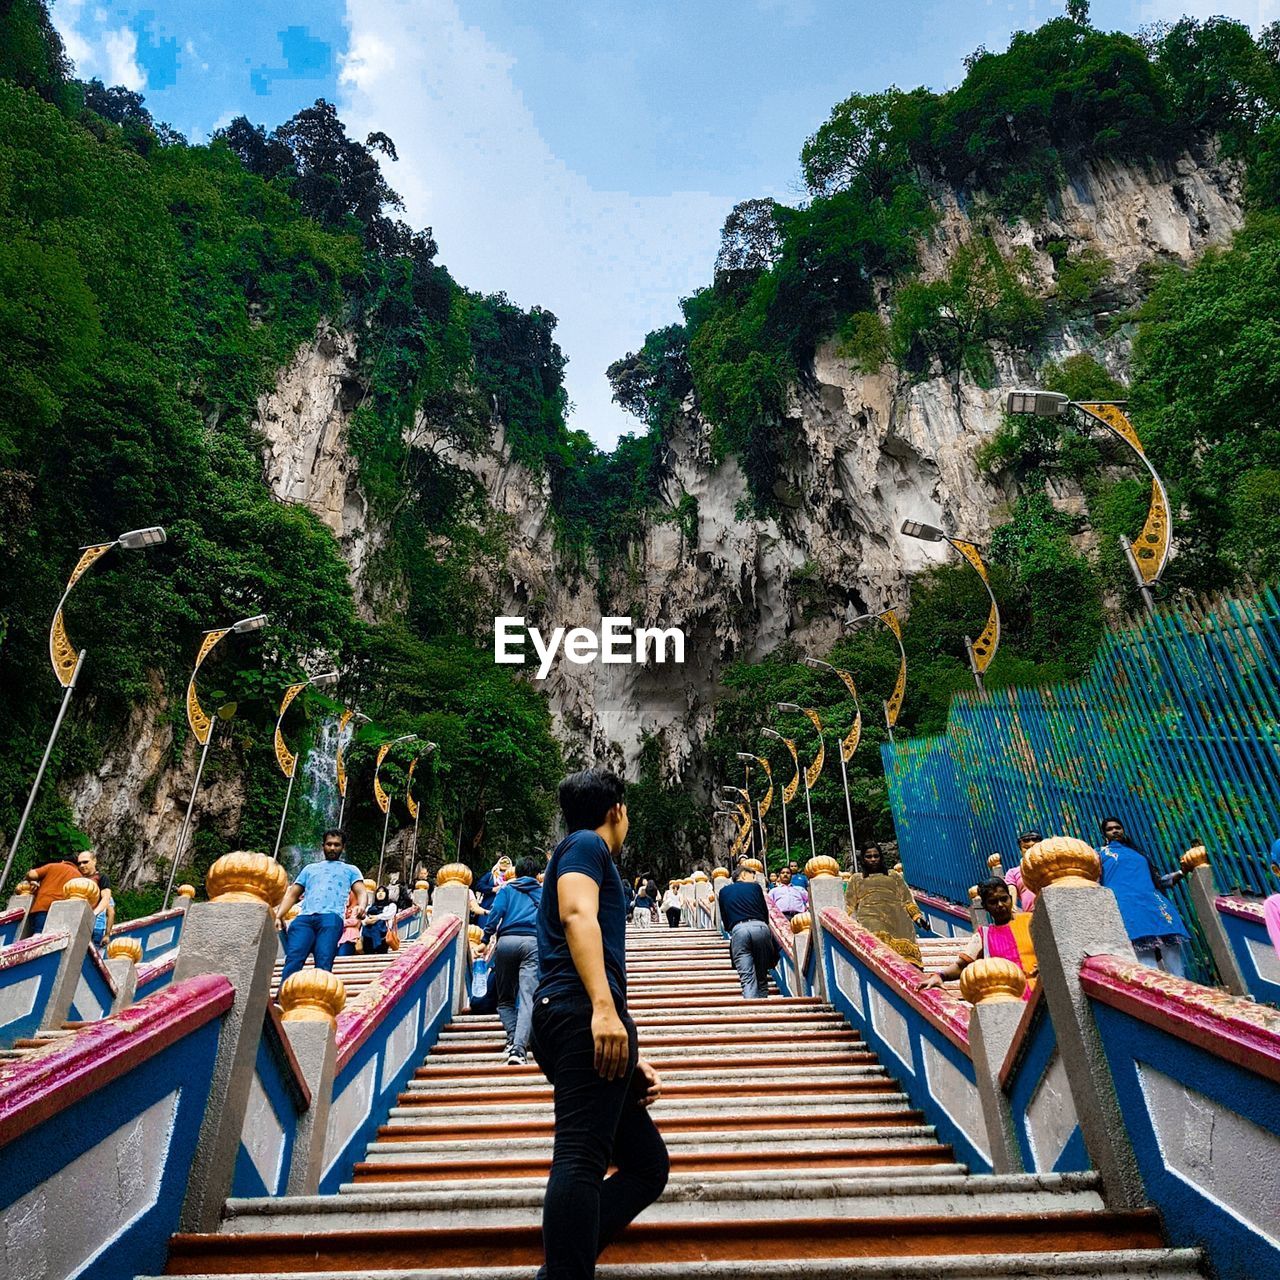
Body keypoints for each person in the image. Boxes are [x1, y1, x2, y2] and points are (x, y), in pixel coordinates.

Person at [531, 768, 668, 1280]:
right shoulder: (587, 845)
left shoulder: (577, 848)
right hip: (579, 1009)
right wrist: (604, 1011)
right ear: (617, 810)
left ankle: (567, 1261)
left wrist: (631, 1056)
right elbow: (576, 915)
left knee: (647, 1165)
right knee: (581, 1156)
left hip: (573, 1012)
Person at [1098, 817, 1190, 977]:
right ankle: (1155, 996)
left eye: (1118, 827)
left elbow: (1158, 880)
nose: (1115, 831)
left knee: (1172, 952)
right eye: (1110, 829)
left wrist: (1181, 872)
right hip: (1128, 906)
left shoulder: (1139, 853)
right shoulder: (1099, 854)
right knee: (1146, 960)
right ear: (1104, 833)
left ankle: (1186, 991)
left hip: (1154, 903)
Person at [275, 830, 369, 983]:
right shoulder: (309, 869)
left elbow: (361, 892)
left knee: (324, 960)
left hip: (331, 918)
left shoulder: (351, 870)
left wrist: (362, 906)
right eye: (329, 844)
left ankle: (319, 999)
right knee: (293, 958)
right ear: (323, 846)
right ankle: (283, 998)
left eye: (336, 845)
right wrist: (278, 915)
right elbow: (293, 894)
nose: (332, 848)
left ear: (343, 847)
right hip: (304, 918)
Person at [922, 878, 1038, 997]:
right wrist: (940, 976)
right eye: (993, 902)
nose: (1000, 905)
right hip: (1010, 998)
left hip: (1042, 991)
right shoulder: (984, 935)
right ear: (985, 906)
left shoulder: (1030, 920)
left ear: (1011, 898)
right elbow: (961, 966)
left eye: (1004, 899)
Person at [482, 856, 544, 1065]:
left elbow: (495, 913)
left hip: (506, 943)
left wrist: (484, 938)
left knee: (505, 998)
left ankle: (513, 1037)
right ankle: (518, 1049)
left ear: (515, 873)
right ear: (538, 875)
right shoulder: (544, 892)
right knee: (528, 997)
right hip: (533, 943)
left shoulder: (507, 890)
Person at [844, 844, 926, 967]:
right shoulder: (856, 879)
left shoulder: (893, 875)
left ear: (881, 857)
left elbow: (907, 899)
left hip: (898, 919)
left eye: (876, 856)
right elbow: (849, 905)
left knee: (907, 964)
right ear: (863, 859)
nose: (873, 859)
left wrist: (917, 917)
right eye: (868, 856)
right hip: (870, 919)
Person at [718, 863, 777, 999]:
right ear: (743, 874)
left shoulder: (723, 892)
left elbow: (724, 918)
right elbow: (764, 911)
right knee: (762, 975)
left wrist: (732, 929)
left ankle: (752, 1011)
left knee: (747, 979)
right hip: (761, 927)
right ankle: (765, 1010)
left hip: (738, 930)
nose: (754, 880)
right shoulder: (755, 888)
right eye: (752, 876)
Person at [24, 858, 81, 933]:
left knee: (37, 934)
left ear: (63, 861)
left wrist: (30, 880)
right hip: (61, 913)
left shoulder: (53, 866)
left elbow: (32, 874)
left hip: (43, 907)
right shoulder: (79, 876)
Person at [75, 849, 114, 948]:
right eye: (79, 863)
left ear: (94, 861)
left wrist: (93, 914)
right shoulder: (78, 879)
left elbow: (107, 901)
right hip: (78, 924)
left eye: (85, 862)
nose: (82, 866)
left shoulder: (102, 878)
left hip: (95, 927)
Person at [360, 886, 397, 954]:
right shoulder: (369, 907)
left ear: (386, 894)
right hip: (367, 935)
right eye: (378, 892)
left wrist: (377, 917)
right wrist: (367, 921)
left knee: (381, 954)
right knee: (367, 954)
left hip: (383, 935)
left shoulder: (391, 906)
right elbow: (363, 918)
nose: (380, 893)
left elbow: (389, 915)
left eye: (383, 892)